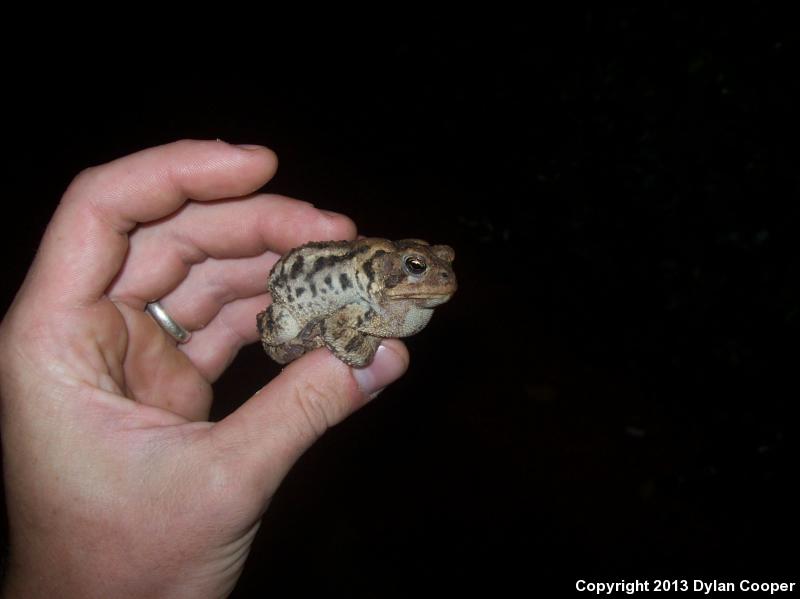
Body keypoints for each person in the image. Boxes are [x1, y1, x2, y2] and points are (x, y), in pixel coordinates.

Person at [0, 140, 409, 598]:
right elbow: (340, 332)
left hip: (318, 290)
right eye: (415, 268)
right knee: (295, 327)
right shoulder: (364, 281)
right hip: (293, 301)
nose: (432, 276)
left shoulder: (375, 287)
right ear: (392, 268)